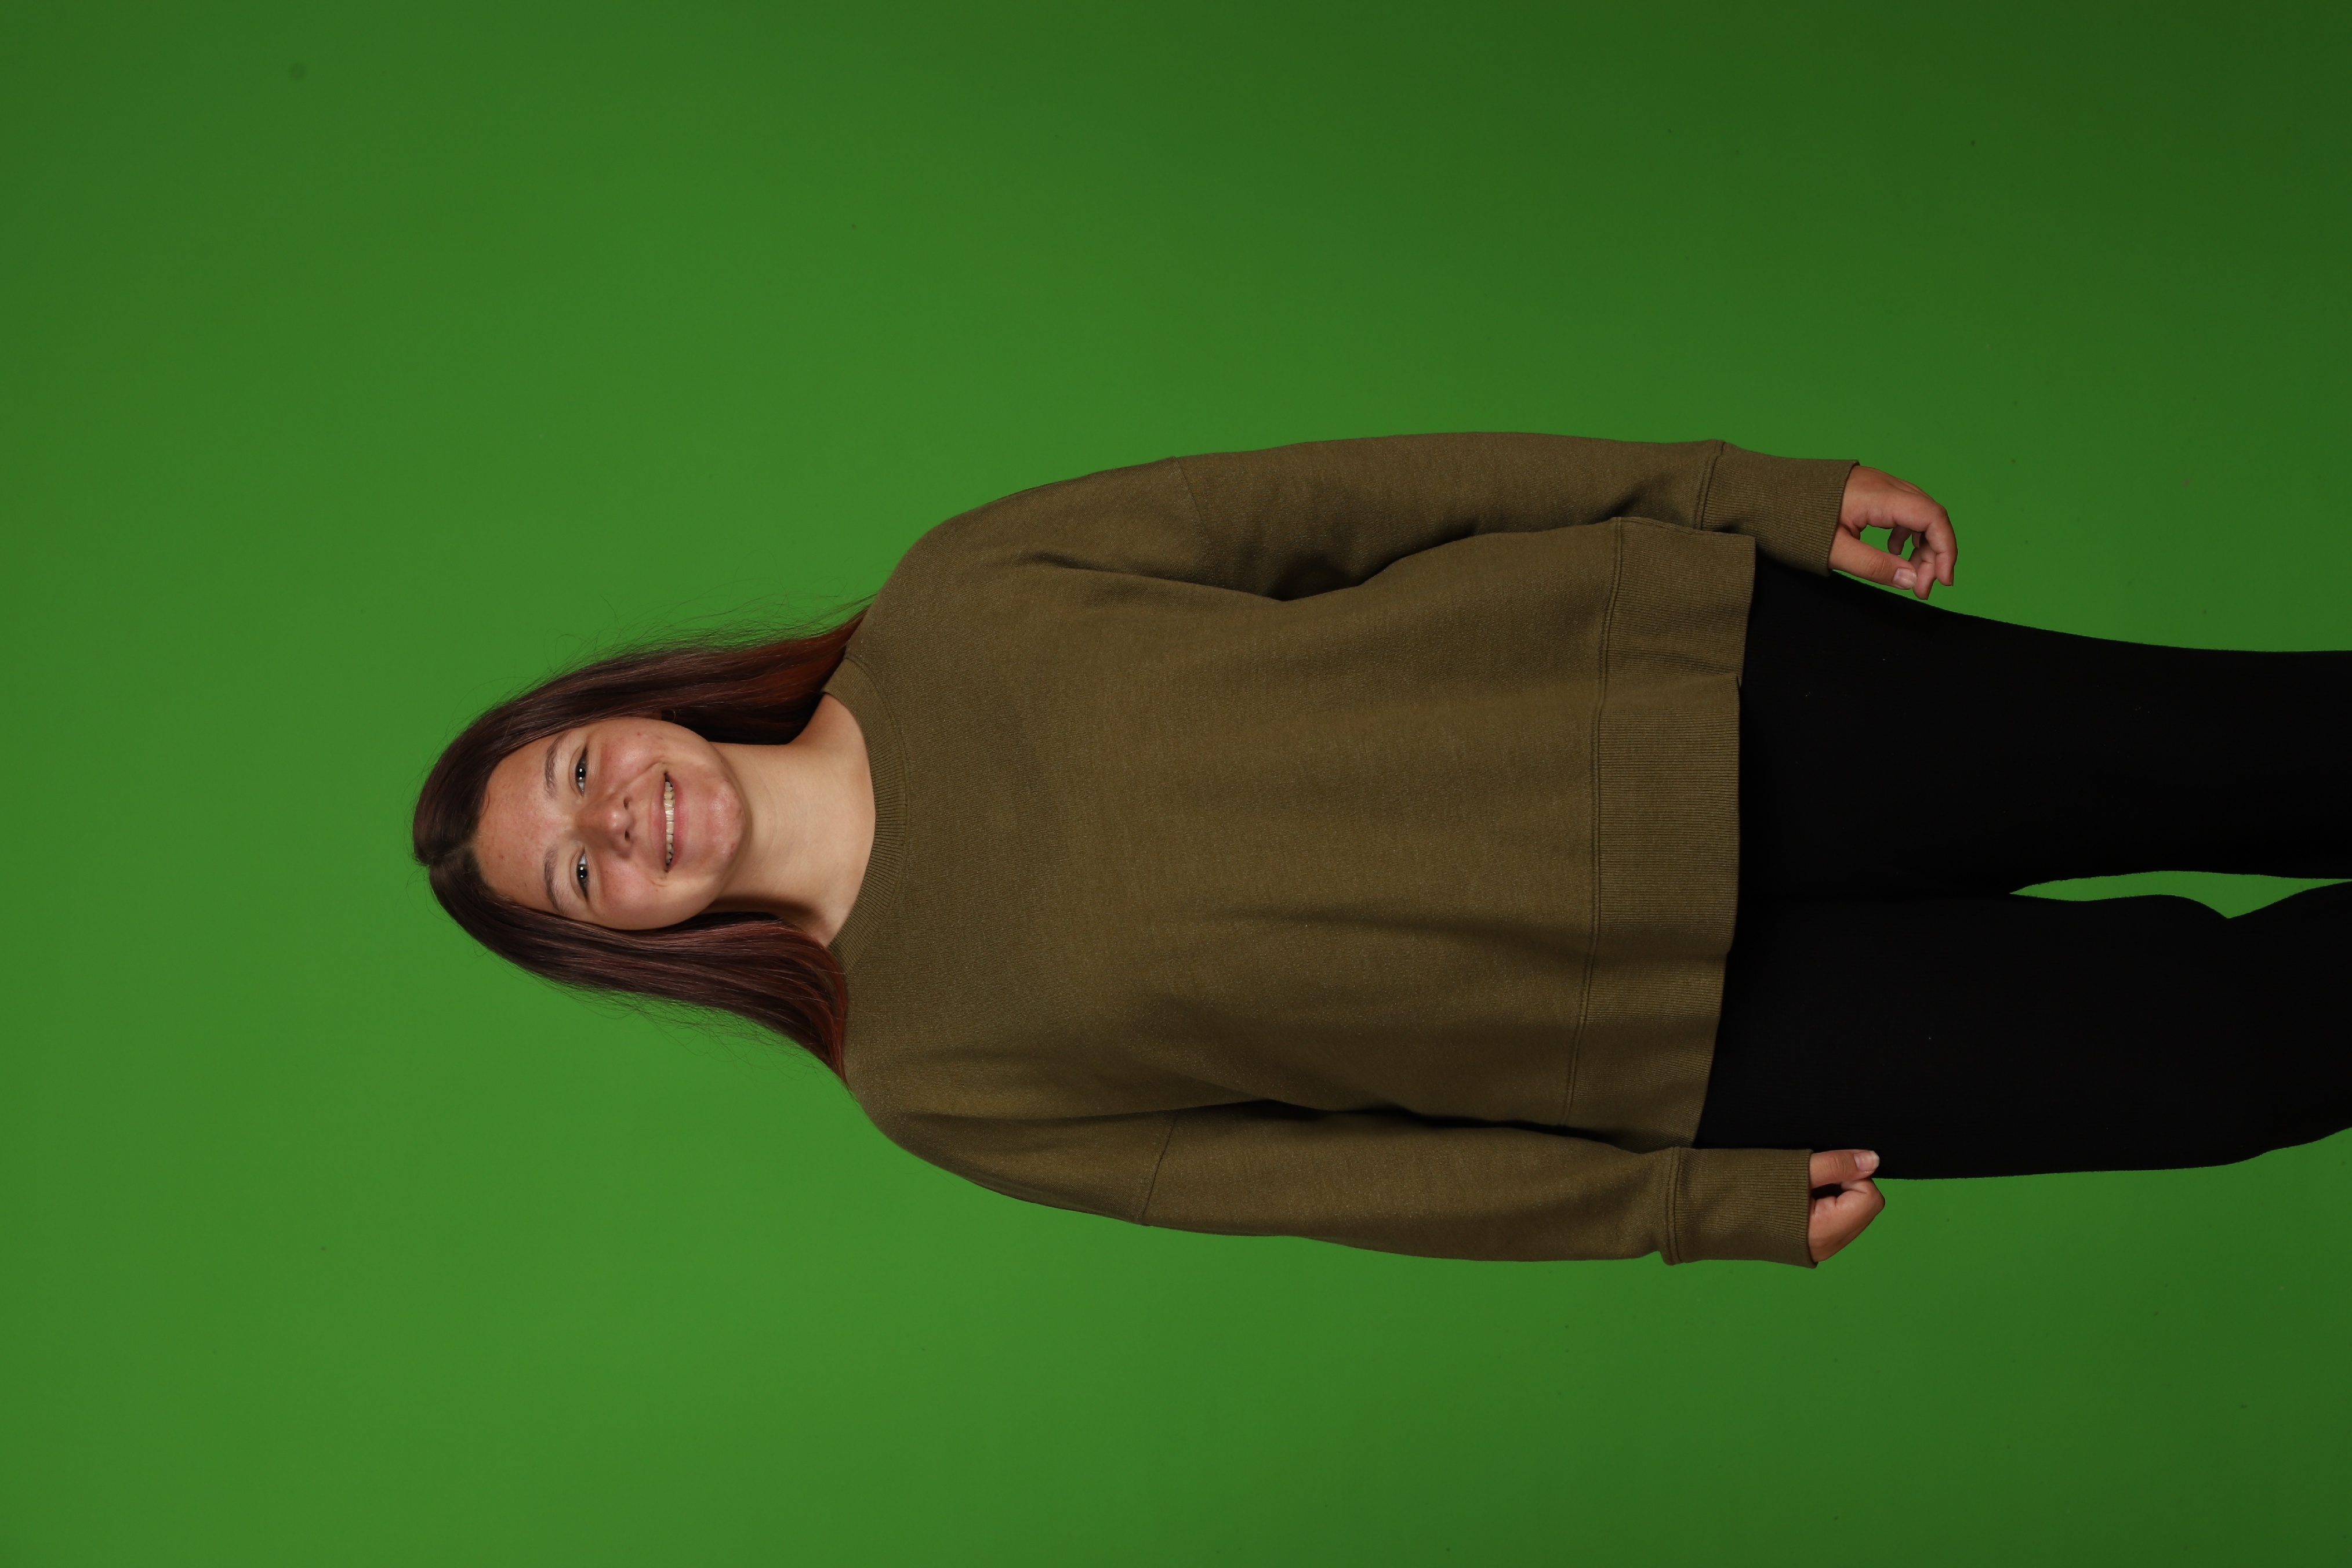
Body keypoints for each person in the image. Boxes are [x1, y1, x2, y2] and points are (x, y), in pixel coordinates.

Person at [413, 434, 2352, 1268]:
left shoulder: (962, 595)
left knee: (2252, 754)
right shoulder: (928, 1078)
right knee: (2220, 1067)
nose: (616, 819)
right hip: (1684, 1044)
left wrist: (1730, 494)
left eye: (576, 771)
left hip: (1708, 688)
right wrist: (1684, 1209)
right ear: (626, 941)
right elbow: (1337, 1184)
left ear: (625, 710)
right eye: (580, 873)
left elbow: (1352, 498)